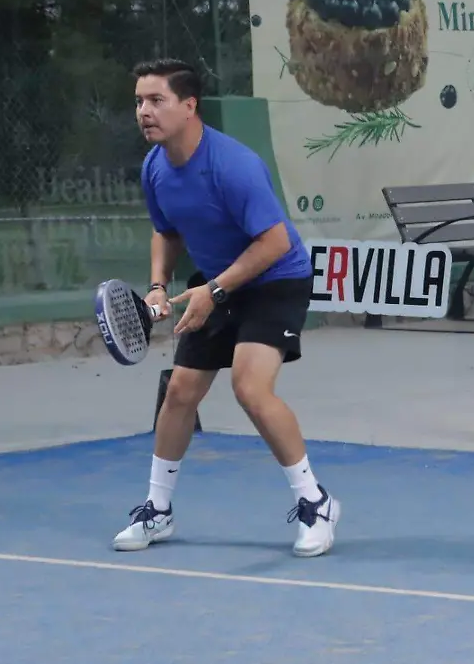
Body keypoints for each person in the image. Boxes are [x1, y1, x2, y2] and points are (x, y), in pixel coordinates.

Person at [112, 58, 340, 557]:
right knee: (180, 392)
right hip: (217, 283)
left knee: (250, 388)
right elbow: (166, 232)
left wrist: (213, 291)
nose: (144, 111)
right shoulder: (154, 168)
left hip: (275, 279)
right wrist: (157, 286)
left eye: (156, 100)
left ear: (189, 106)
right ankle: (158, 509)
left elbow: (275, 242)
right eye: (139, 101)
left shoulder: (233, 165)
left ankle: (316, 502)